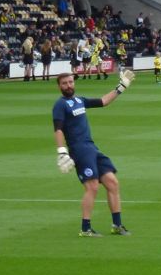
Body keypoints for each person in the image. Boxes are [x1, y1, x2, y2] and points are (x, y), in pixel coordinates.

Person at [51, 70, 136, 237]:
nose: (68, 85)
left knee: (112, 182)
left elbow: (103, 101)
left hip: (91, 148)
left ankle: (117, 225)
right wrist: (62, 151)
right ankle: (85, 228)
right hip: (79, 150)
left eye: (70, 82)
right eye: (64, 83)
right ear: (59, 86)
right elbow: (58, 129)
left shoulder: (79, 100)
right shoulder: (60, 105)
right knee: (92, 187)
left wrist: (121, 87)